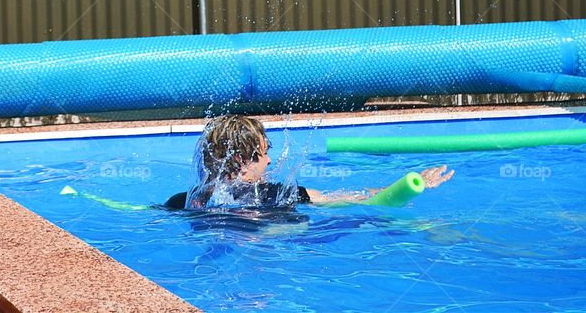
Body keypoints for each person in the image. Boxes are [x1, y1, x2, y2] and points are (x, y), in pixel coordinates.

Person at [164, 115, 454, 210]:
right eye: (265, 152)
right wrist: (415, 186)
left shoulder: (185, 201)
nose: (269, 160)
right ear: (241, 159)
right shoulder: (278, 196)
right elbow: (355, 201)